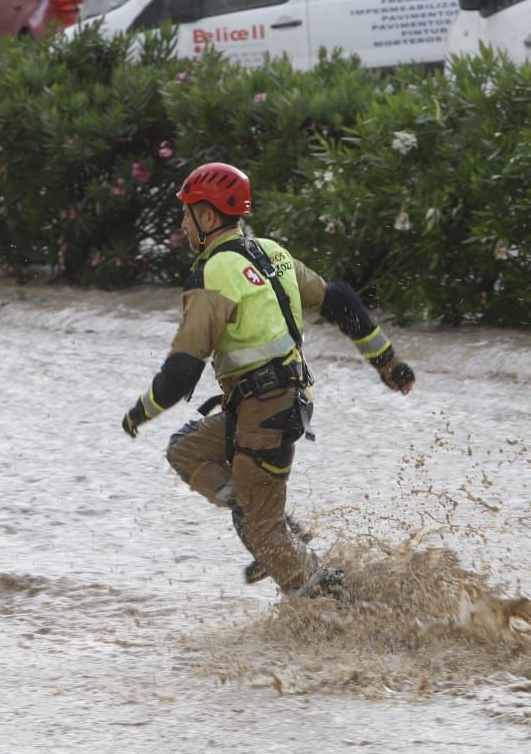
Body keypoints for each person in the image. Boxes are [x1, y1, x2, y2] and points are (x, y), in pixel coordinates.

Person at [121, 162, 415, 596]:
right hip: (284, 402)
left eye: (188, 213)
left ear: (208, 217)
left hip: (265, 412)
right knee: (186, 450)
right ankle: (266, 518)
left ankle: (330, 608)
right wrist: (388, 363)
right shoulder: (271, 252)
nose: (182, 223)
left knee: (263, 531)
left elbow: (182, 371)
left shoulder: (212, 275)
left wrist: (138, 413)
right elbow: (340, 300)